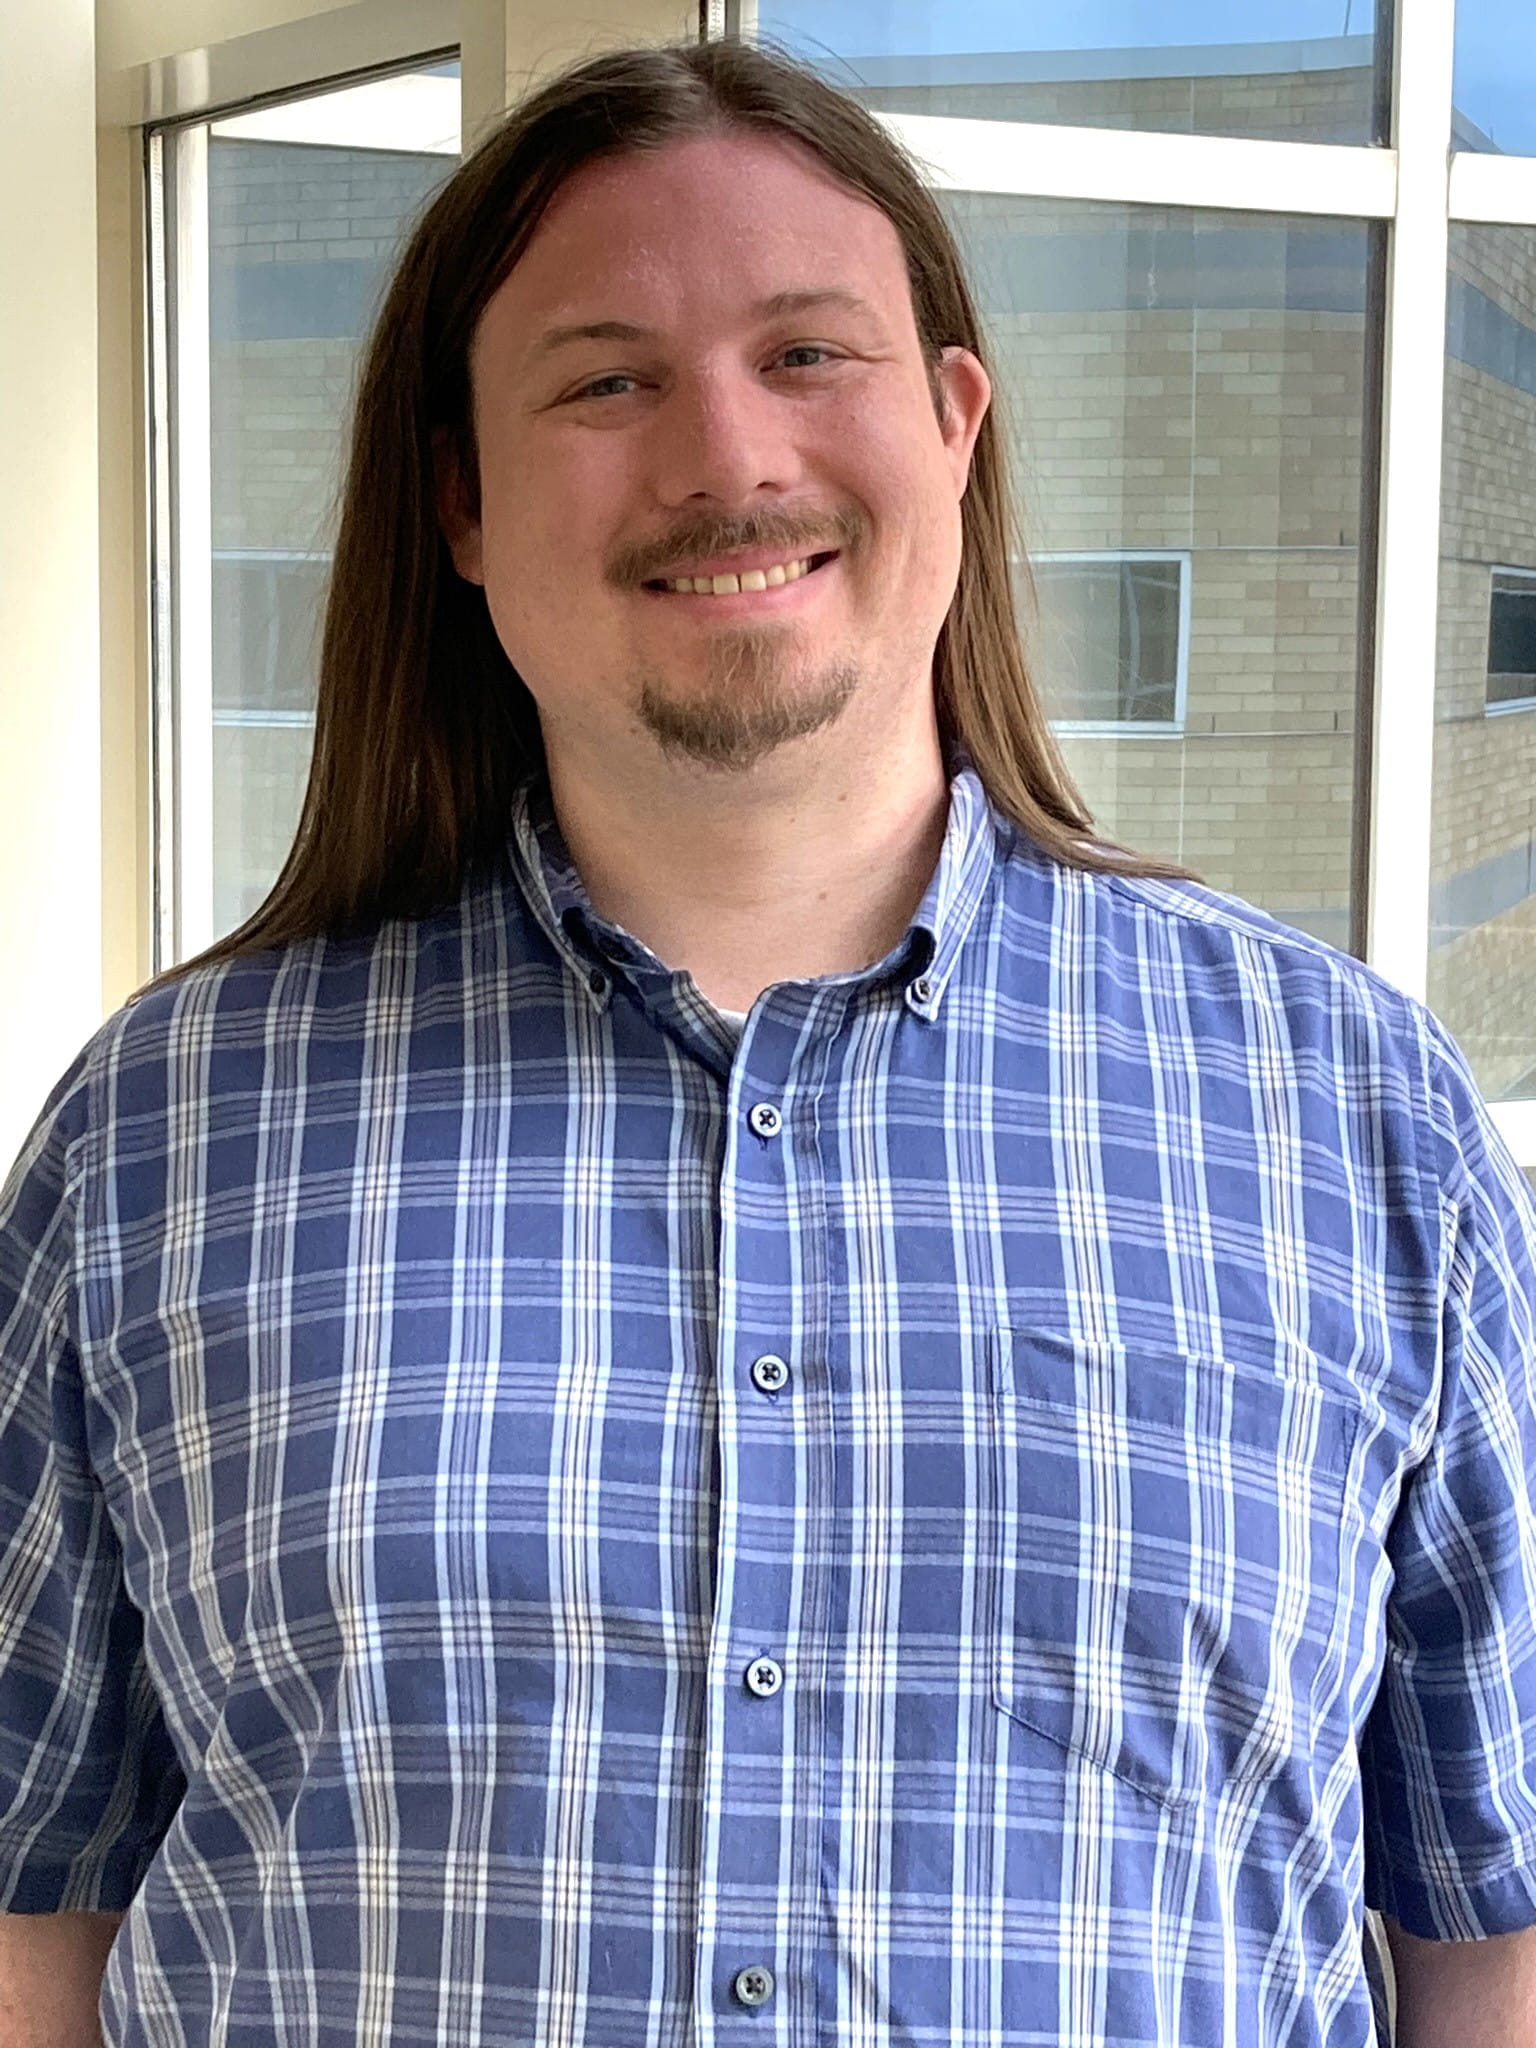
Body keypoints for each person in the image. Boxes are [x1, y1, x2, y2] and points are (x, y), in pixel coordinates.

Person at [2, 34, 1536, 2048]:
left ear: (955, 424)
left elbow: (1493, 1928)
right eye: (606, 380)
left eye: (808, 353)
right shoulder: (163, 1134)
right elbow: (31, 1907)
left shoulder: (1357, 1113)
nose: (725, 456)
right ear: (460, 499)